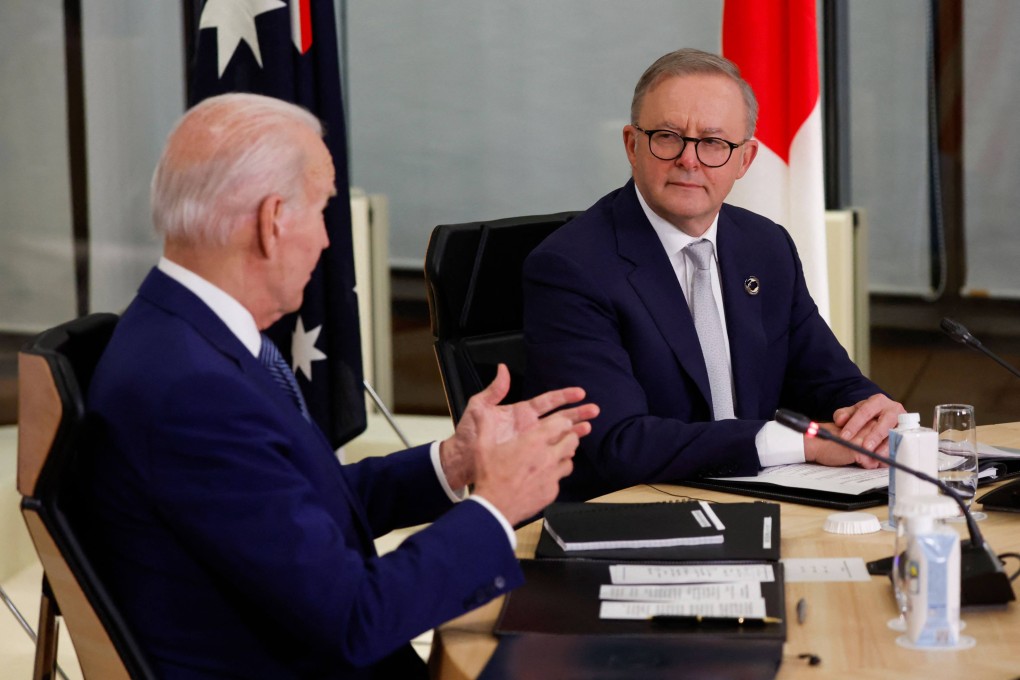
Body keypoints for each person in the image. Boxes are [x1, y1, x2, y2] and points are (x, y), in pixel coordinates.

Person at [84, 93, 597, 679]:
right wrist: (496, 506)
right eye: (324, 210)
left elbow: (293, 507)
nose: (329, 242)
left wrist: (453, 463)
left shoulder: (186, 336)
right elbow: (354, 618)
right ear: (272, 221)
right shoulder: (192, 390)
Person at [522, 48, 904, 502]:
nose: (689, 159)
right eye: (667, 136)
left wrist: (871, 412)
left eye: (714, 143)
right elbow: (618, 443)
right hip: (636, 516)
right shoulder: (572, 267)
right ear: (632, 145)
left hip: (762, 500)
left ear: (745, 160)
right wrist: (800, 443)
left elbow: (827, 379)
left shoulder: (766, 246)